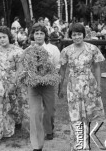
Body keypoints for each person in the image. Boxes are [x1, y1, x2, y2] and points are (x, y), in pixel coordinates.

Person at [59, 23, 105, 151]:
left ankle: (85, 140)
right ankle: (78, 143)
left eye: (79, 34)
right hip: (73, 86)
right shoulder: (66, 51)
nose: (77, 37)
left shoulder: (92, 49)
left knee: (88, 114)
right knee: (75, 114)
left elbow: (96, 67)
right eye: (74, 34)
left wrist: (99, 86)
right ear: (71, 36)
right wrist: (60, 87)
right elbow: (62, 70)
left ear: (83, 35)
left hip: (89, 85)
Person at [21, 23, 60, 151]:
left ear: (45, 35)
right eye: (36, 33)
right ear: (33, 35)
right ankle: (37, 145)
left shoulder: (53, 49)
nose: (38, 36)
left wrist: (47, 77)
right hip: (33, 86)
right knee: (34, 113)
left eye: (41, 33)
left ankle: (49, 129)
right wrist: (29, 77)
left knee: (49, 111)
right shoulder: (27, 50)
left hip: (49, 84)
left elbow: (57, 67)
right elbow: (24, 67)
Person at [0, 26, 25, 147]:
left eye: (4, 37)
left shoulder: (18, 51)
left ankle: (15, 122)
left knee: (13, 105)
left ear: (9, 37)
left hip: (14, 79)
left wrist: (14, 83)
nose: (2, 39)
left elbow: (20, 69)